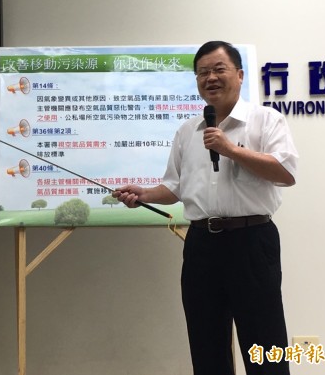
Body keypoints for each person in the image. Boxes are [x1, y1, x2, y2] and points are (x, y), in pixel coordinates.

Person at [113, 41, 298, 375]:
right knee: (206, 342)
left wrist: (231, 149)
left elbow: (285, 173)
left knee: (264, 342)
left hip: (252, 241)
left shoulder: (266, 120)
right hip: (201, 245)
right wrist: (144, 194)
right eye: (202, 72)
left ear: (239, 75)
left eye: (218, 69)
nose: (210, 78)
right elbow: (175, 187)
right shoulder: (187, 131)